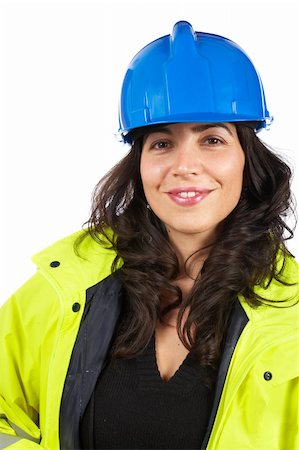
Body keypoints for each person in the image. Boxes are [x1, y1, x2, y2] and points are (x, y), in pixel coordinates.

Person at [1, 20, 298, 450]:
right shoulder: (71, 287)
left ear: (247, 161)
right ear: (138, 164)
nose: (185, 165)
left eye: (212, 139)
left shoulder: (291, 316)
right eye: (162, 143)